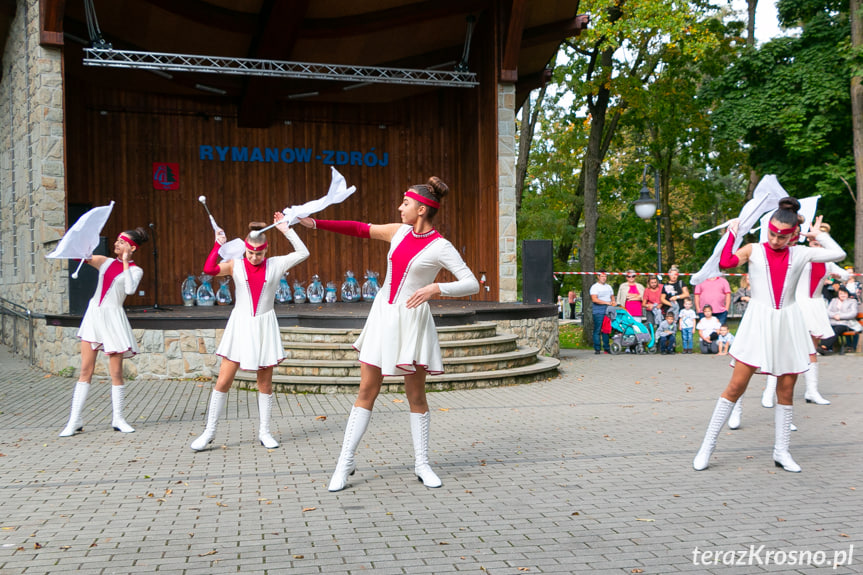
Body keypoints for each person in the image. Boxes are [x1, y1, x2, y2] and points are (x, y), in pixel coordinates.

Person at [299, 177, 479, 491]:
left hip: (412, 321)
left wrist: (437, 287)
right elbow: (358, 227)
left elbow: (471, 283)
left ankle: (422, 464)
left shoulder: (441, 247)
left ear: (421, 209)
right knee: (367, 390)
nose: (400, 207)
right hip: (383, 316)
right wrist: (314, 223)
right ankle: (345, 462)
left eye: (405, 203)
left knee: (416, 395)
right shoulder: (398, 232)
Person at [692, 198, 845, 473]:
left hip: (789, 323)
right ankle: (707, 446)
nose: (776, 239)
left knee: (786, 390)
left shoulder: (801, 253)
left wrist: (818, 234)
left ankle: (782, 451)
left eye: (782, 236)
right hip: (758, 322)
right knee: (736, 387)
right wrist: (732, 233)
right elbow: (726, 262)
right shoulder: (754, 250)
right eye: (772, 233)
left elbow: (839, 255)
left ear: (794, 235)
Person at [190, 214, 309, 451]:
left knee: (264, 383)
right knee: (223, 380)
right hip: (241, 325)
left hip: (264, 326)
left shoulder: (276, 264)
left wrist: (286, 230)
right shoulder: (236, 265)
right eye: (250, 252)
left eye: (259, 253)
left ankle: (264, 432)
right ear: (245, 249)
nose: (254, 257)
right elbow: (209, 269)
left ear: (266, 251)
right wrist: (218, 244)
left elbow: (303, 252)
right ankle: (209, 432)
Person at [60, 227, 149, 437]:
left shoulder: (136, 270)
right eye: (117, 240)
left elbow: (129, 290)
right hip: (94, 316)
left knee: (116, 373)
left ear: (132, 247)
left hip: (113, 319)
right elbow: (78, 257)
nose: (116, 244)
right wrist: (81, 239)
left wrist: (126, 262)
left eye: (121, 241)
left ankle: (118, 418)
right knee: (85, 370)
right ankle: (74, 419)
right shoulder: (104, 261)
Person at [762, 224, 848, 407]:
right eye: (813, 242)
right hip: (797, 304)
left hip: (815, 305)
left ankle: (812, 390)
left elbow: (845, 274)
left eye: (819, 243)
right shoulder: (800, 254)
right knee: (782, 348)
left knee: (811, 349)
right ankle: (769, 392)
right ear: (808, 241)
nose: (816, 246)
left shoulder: (828, 261)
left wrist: (838, 276)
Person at [824, 287, 861, 352]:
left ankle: (824, 346)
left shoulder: (852, 301)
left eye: (844, 293)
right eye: (841, 293)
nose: (843, 295)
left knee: (838, 329)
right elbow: (828, 311)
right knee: (828, 329)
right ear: (838, 294)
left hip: (846, 323)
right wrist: (835, 316)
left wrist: (840, 316)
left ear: (847, 294)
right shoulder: (834, 300)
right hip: (833, 322)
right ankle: (825, 347)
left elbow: (853, 313)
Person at [590, 271, 615, 354]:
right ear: (598, 277)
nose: (604, 278)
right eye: (602, 276)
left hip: (608, 310)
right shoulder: (595, 287)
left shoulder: (608, 287)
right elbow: (594, 299)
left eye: (605, 276)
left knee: (606, 330)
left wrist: (613, 302)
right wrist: (606, 302)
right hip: (598, 310)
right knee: (597, 330)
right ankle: (597, 348)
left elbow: (612, 297)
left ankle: (606, 348)